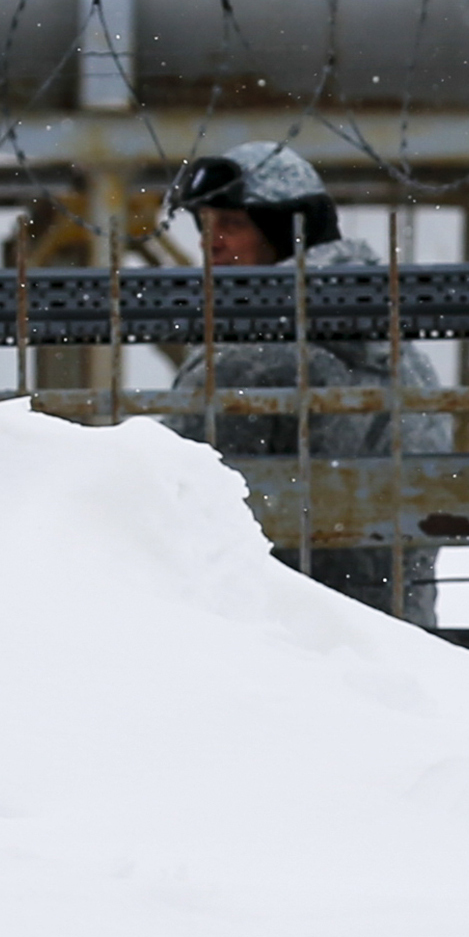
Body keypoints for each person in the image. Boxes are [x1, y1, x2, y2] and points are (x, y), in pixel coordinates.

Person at [165, 143, 405, 615]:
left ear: (285, 233)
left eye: (231, 225)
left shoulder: (249, 364)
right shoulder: (394, 344)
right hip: (393, 628)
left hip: (280, 630)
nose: (211, 243)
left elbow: (170, 502)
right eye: (205, 225)